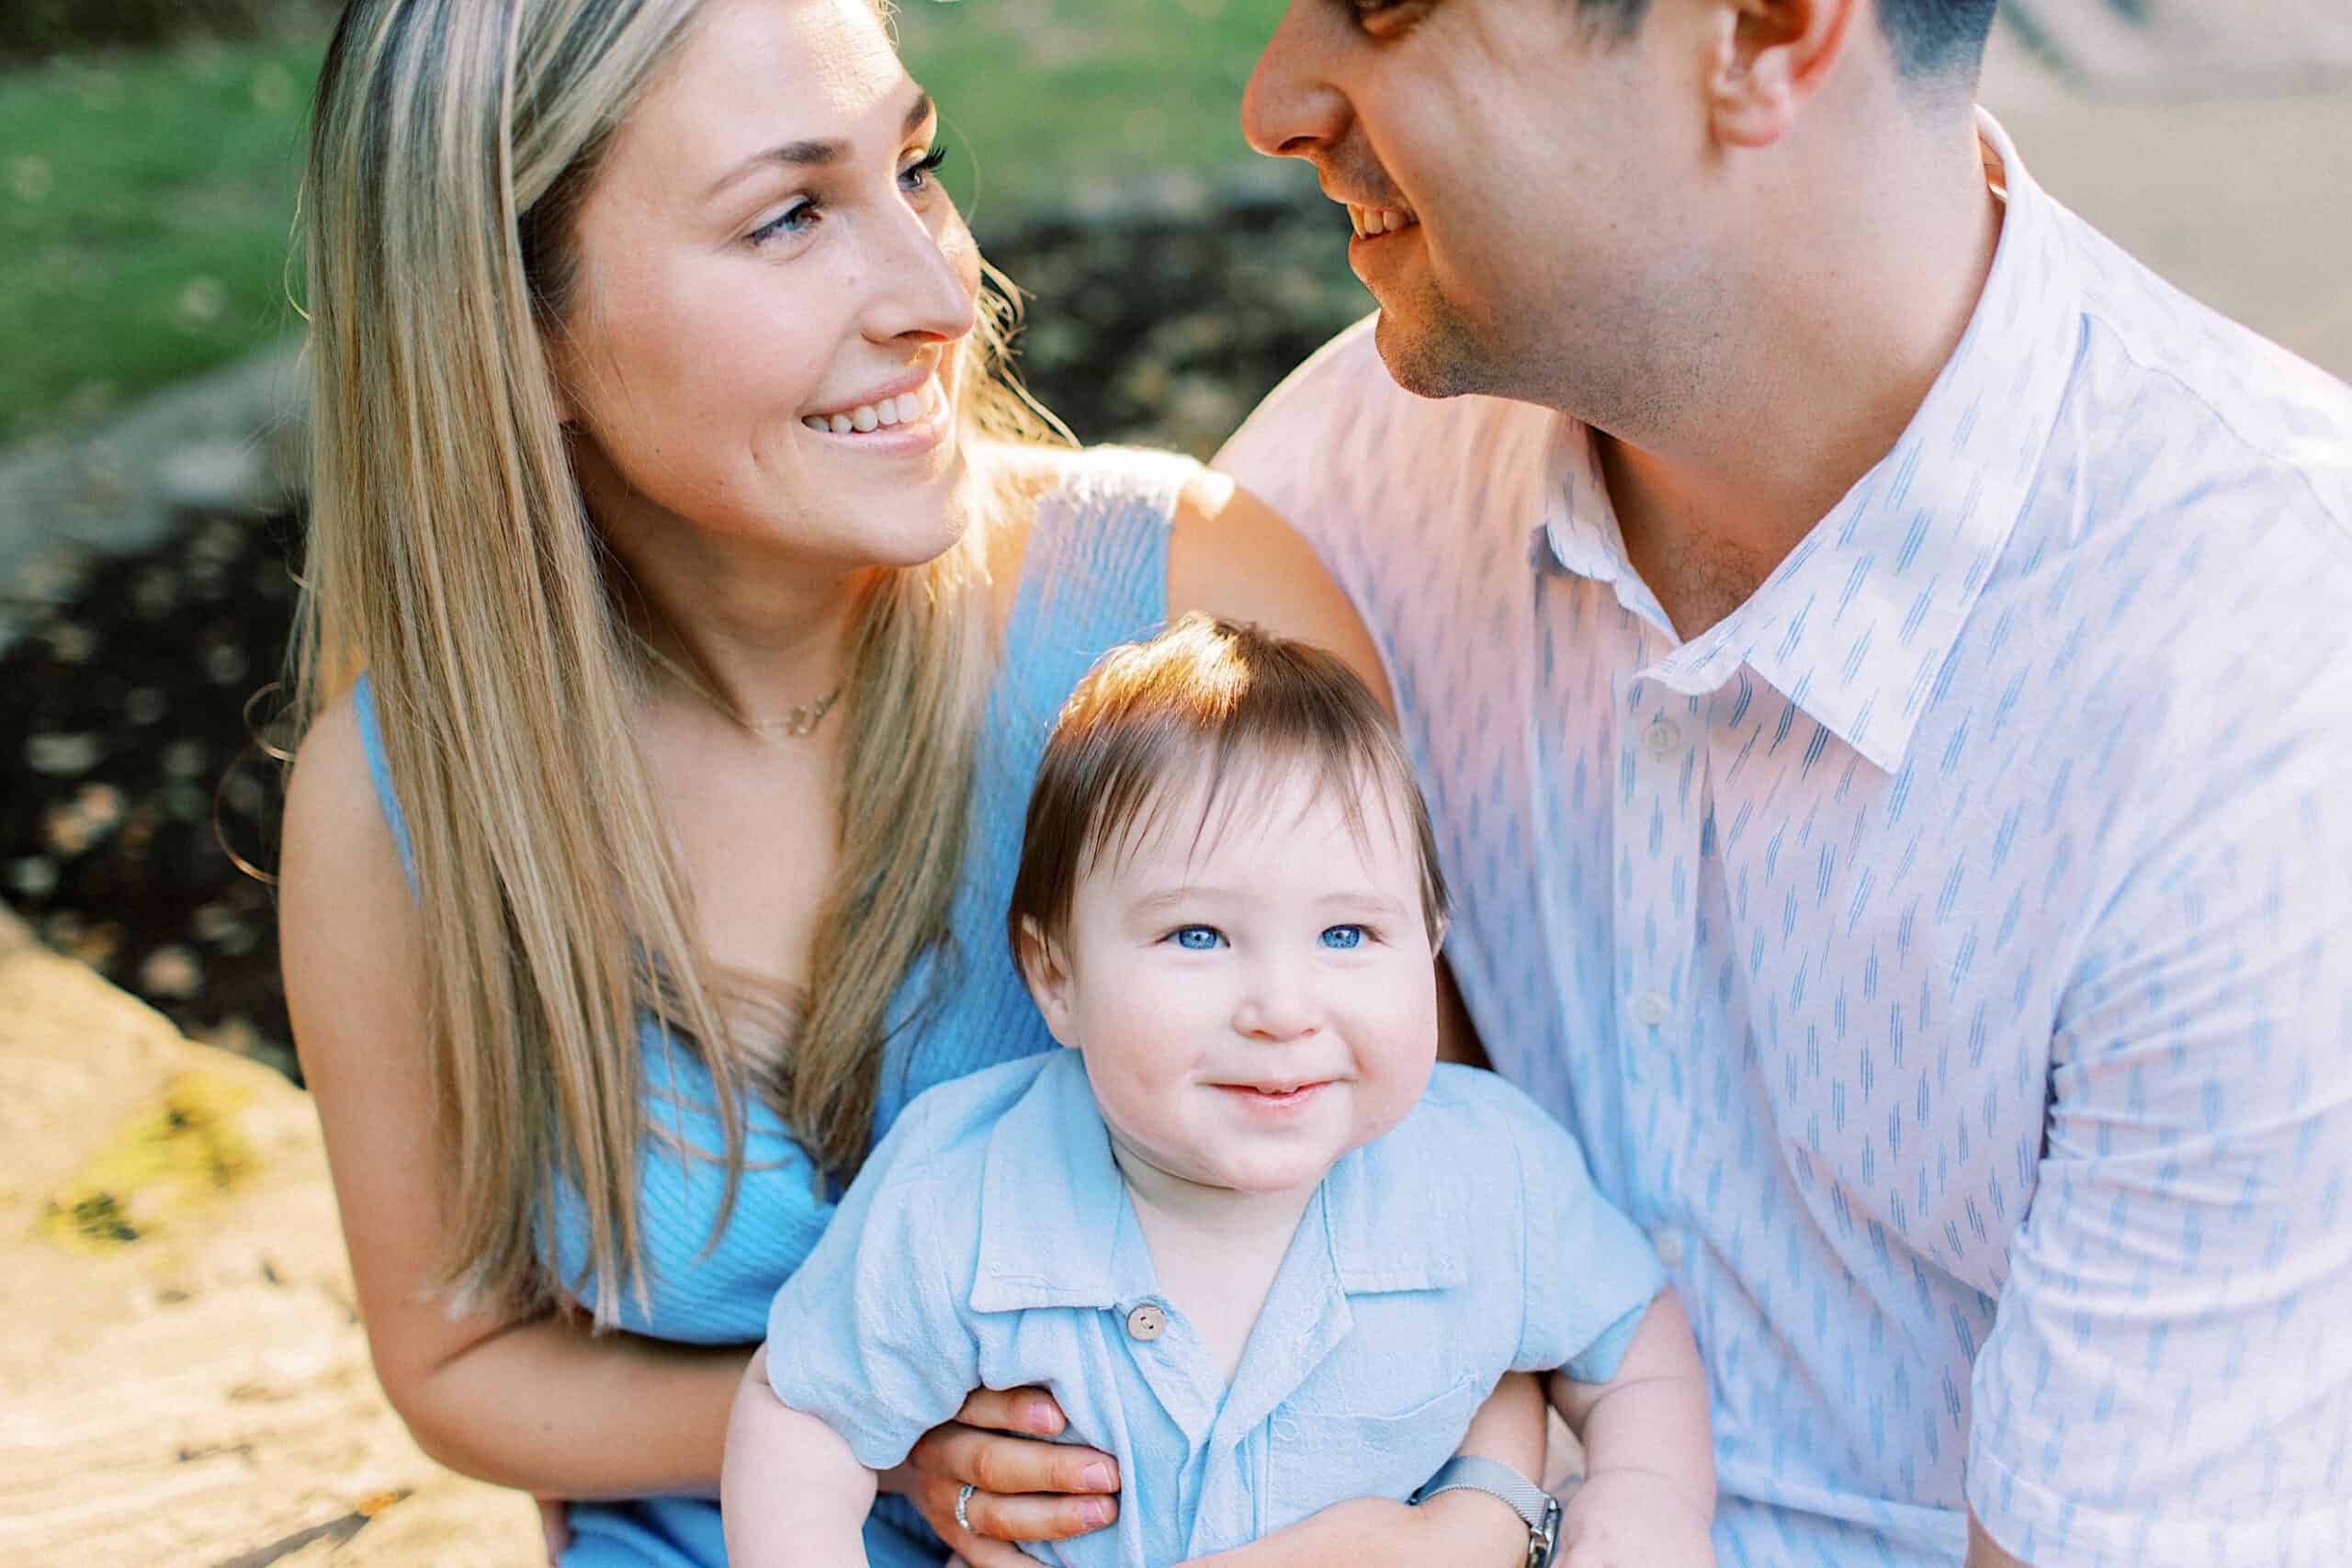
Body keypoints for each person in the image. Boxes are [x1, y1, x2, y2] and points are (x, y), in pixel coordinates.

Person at [275, 1, 1551, 1566]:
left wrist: (1501, 1515)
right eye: (792, 214)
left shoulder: (1184, 602)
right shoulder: (403, 798)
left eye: (917, 164)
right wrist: (870, 1423)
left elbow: (1463, 1191)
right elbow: (460, 1363)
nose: (943, 290)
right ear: (507, 328)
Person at [1188, 0, 2352, 1564]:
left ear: (1763, 29)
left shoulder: (2271, 711)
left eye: (1386, 8)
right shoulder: (1326, 511)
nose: (1276, 103)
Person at [720, 615, 1716, 1567]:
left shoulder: (1490, 1172)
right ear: (1056, 977)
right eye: (1197, 936)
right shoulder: (964, 1193)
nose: (1283, 1008)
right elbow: (804, 1417)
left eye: (1347, 935)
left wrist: (1645, 1502)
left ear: (1430, 945)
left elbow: (1628, 1337)